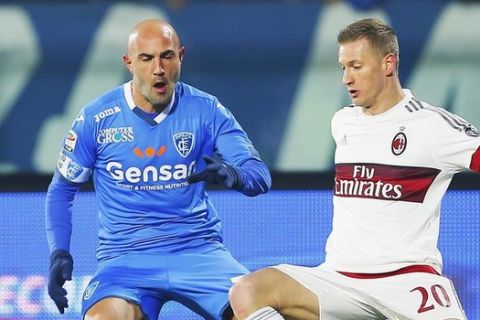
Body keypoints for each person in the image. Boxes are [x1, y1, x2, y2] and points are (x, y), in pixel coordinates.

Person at [229, 18, 479, 320]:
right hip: (338, 280)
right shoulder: (343, 122)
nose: (346, 78)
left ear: (388, 64)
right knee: (248, 290)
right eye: (343, 67)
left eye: (356, 66)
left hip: (408, 282)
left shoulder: (432, 126)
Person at [45, 19, 271, 320]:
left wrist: (235, 175)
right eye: (146, 58)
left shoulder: (206, 110)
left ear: (181, 56)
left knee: (259, 310)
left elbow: (259, 175)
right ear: (129, 63)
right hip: (125, 260)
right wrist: (59, 252)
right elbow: (62, 189)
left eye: (166, 56)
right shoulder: (97, 118)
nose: (158, 69)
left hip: (200, 253)